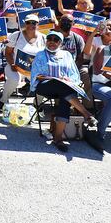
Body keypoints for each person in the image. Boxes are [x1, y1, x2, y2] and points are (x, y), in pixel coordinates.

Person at [31, 30, 97, 152]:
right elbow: (37, 76)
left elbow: (74, 75)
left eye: (56, 40)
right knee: (61, 85)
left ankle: (58, 138)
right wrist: (54, 78)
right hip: (44, 86)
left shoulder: (67, 55)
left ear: (61, 43)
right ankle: (86, 114)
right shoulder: (40, 55)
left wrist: (67, 79)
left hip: (64, 88)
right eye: (49, 39)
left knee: (65, 96)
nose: (52, 42)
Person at [0, 13, 46, 111]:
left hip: (33, 69)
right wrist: (12, 64)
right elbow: (8, 53)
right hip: (16, 66)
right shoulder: (16, 35)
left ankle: (37, 104)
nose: (31, 25)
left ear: (38, 24)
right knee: (14, 79)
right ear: (24, 24)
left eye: (34, 23)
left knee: (43, 82)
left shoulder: (44, 38)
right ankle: (3, 100)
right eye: (28, 22)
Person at [89, 20, 111, 152]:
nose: (109, 30)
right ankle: (100, 133)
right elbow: (98, 71)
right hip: (99, 84)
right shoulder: (102, 49)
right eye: (107, 28)